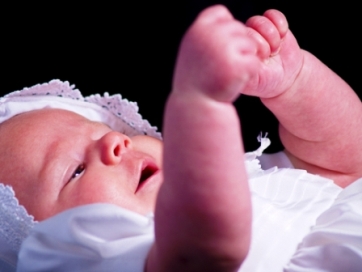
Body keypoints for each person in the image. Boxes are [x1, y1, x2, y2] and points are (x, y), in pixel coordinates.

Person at [0, 5, 361, 272]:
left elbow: (346, 162)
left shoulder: (256, 181)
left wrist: (293, 83)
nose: (115, 144)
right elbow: (208, 246)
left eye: (109, 131)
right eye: (76, 170)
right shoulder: (146, 256)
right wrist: (198, 102)